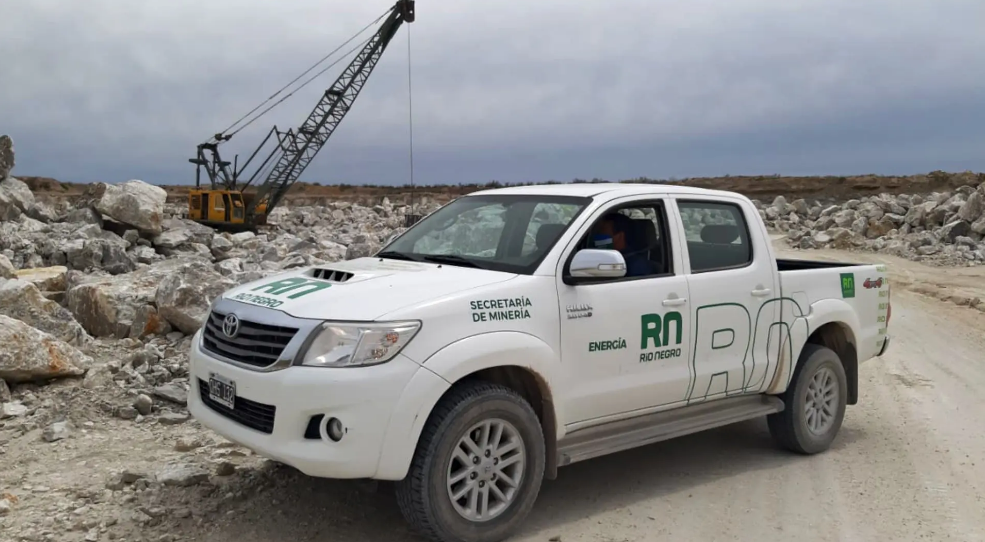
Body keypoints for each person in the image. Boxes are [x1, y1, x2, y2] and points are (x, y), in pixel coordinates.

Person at [591, 212, 656, 277]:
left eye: (602, 230)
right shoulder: (611, 258)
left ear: (619, 236)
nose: (598, 234)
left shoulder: (637, 267)